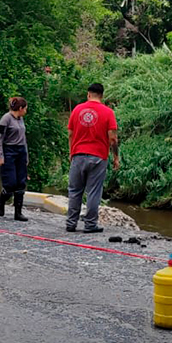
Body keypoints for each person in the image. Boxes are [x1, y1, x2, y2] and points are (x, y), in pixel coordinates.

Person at [65, 83, 119, 233]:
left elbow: (70, 133)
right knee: (94, 191)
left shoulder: (77, 110)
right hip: (98, 157)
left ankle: (71, 223)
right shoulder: (108, 113)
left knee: (75, 190)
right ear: (102, 96)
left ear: (88, 94)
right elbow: (113, 139)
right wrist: (115, 157)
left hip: (78, 155)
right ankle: (90, 225)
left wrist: (71, 152)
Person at [0, 96, 29, 222]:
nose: (26, 111)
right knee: (10, 183)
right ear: (20, 108)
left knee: (21, 183)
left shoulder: (21, 120)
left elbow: (23, 139)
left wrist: (26, 156)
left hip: (20, 151)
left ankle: (18, 212)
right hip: (9, 151)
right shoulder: (6, 119)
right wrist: (0, 156)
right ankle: (2, 200)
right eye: (25, 109)